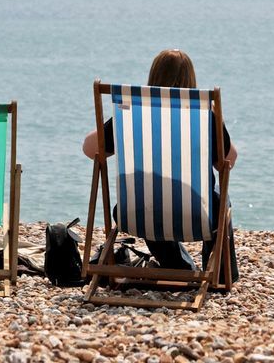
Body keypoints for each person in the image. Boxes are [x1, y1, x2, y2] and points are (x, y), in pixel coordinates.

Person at [82, 49, 239, 281]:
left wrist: (118, 122)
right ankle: (222, 275)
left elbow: (89, 148)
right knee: (221, 200)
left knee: (151, 200)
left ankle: (177, 266)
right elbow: (228, 162)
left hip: (134, 213)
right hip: (197, 215)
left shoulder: (131, 114)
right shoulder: (204, 113)